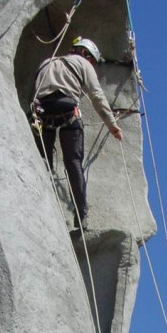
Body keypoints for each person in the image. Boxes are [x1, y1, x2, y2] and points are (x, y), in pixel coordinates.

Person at [32, 36, 123, 228]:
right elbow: (97, 96)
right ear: (85, 53)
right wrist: (112, 125)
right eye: (91, 60)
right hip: (67, 112)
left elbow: (36, 91)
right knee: (73, 163)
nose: (91, 64)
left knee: (43, 165)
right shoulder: (83, 63)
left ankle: (44, 206)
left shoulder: (46, 63)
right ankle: (81, 216)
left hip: (41, 115)